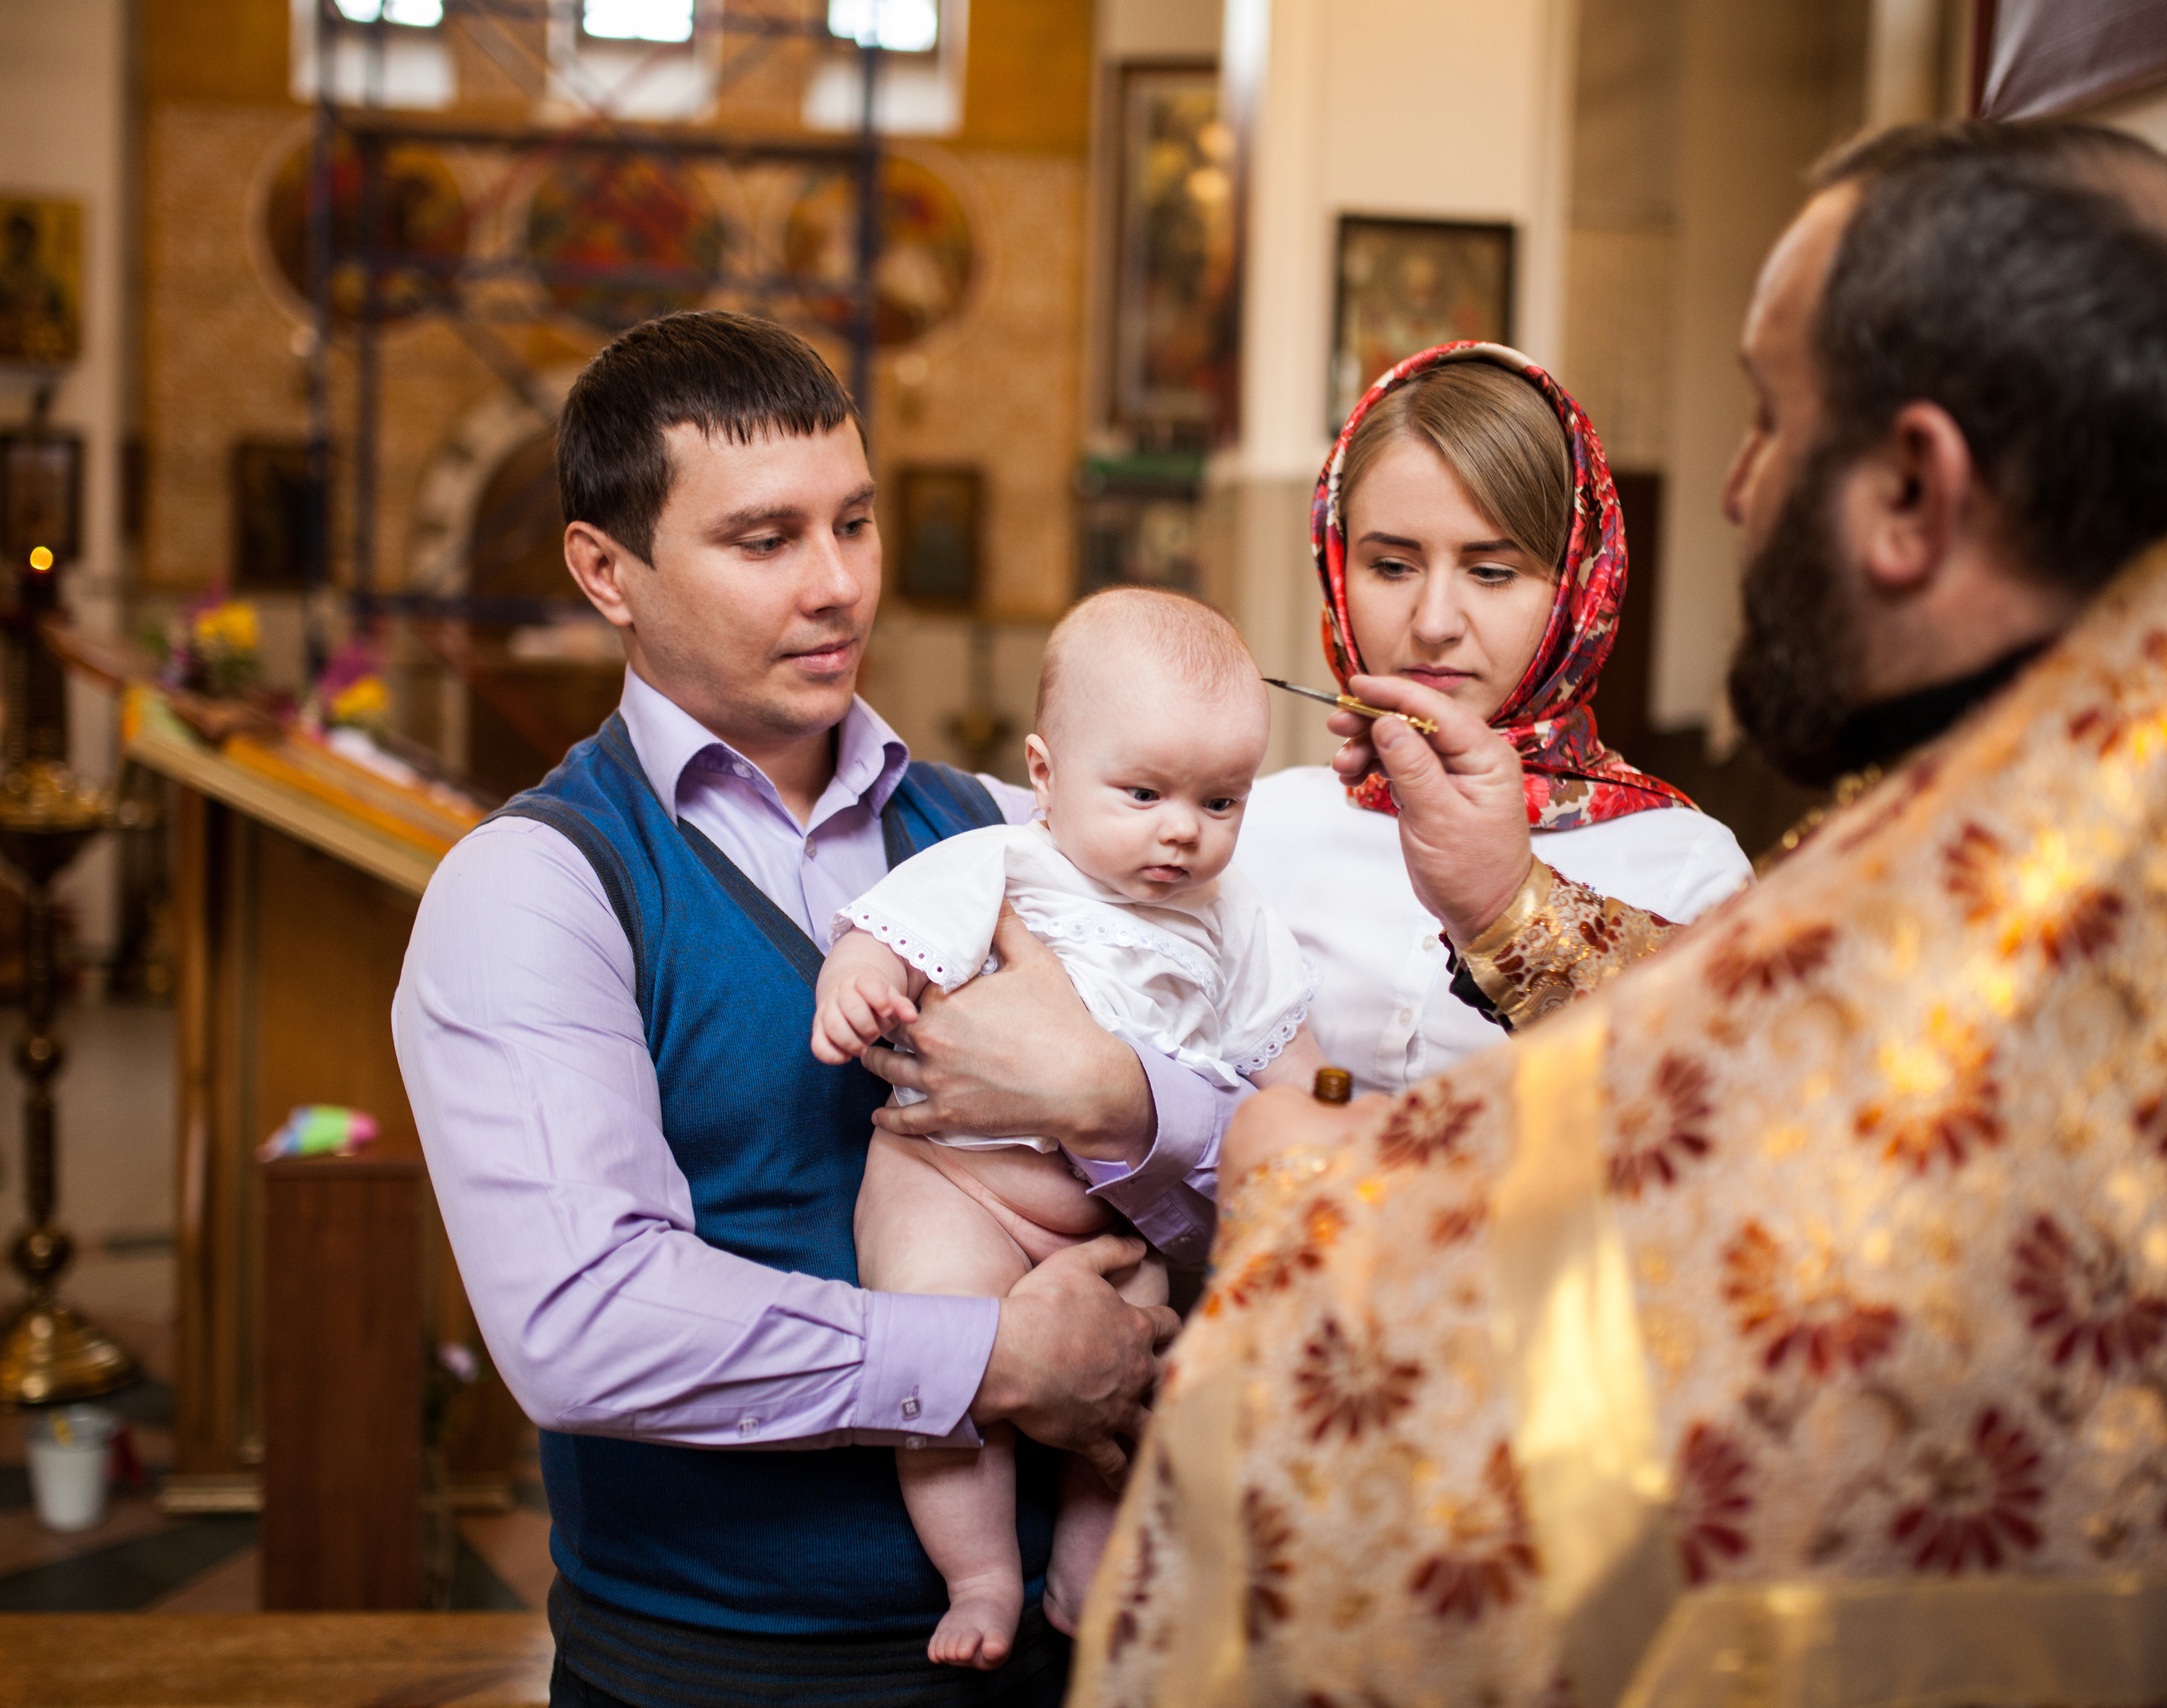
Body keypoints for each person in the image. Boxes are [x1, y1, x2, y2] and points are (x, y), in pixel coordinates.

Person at [1072, 121, 2167, 1708]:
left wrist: (1289, 1200)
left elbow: (1589, 1426)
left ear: (1911, 490)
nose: (1739, 488)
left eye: (1770, 420)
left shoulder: (1952, 923)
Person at [394, 311, 1223, 1708]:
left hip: (1070, 1651)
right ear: (607, 571)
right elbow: (585, 1321)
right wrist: (988, 1362)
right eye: (765, 540)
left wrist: (1122, 1106)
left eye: (856, 523)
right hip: (724, 1672)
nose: (838, 585)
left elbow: (1243, 1136)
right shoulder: (534, 889)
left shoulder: (1012, 831)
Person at [815, 589, 1322, 1670]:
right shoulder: (1005, 863)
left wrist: (1307, 1101)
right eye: (1141, 792)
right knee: (939, 1343)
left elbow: (1289, 1060)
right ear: (1045, 773)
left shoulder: (1237, 918)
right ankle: (982, 1573)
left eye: (1221, 800)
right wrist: (856, 983)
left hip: (1110, 1221)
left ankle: (1089, 1575)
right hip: (955, 1182)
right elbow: (884, 934)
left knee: (1137, 1373)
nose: (1182, 830)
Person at [1232, 344, 1749, 1090]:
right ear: (1337, 568)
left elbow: (1718, 1131)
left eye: (1492, 572)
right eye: (1391, 566)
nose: (1434, 621)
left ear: (1579, 587)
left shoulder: (1685, 870)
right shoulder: (1253, 830)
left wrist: (1514, 906)